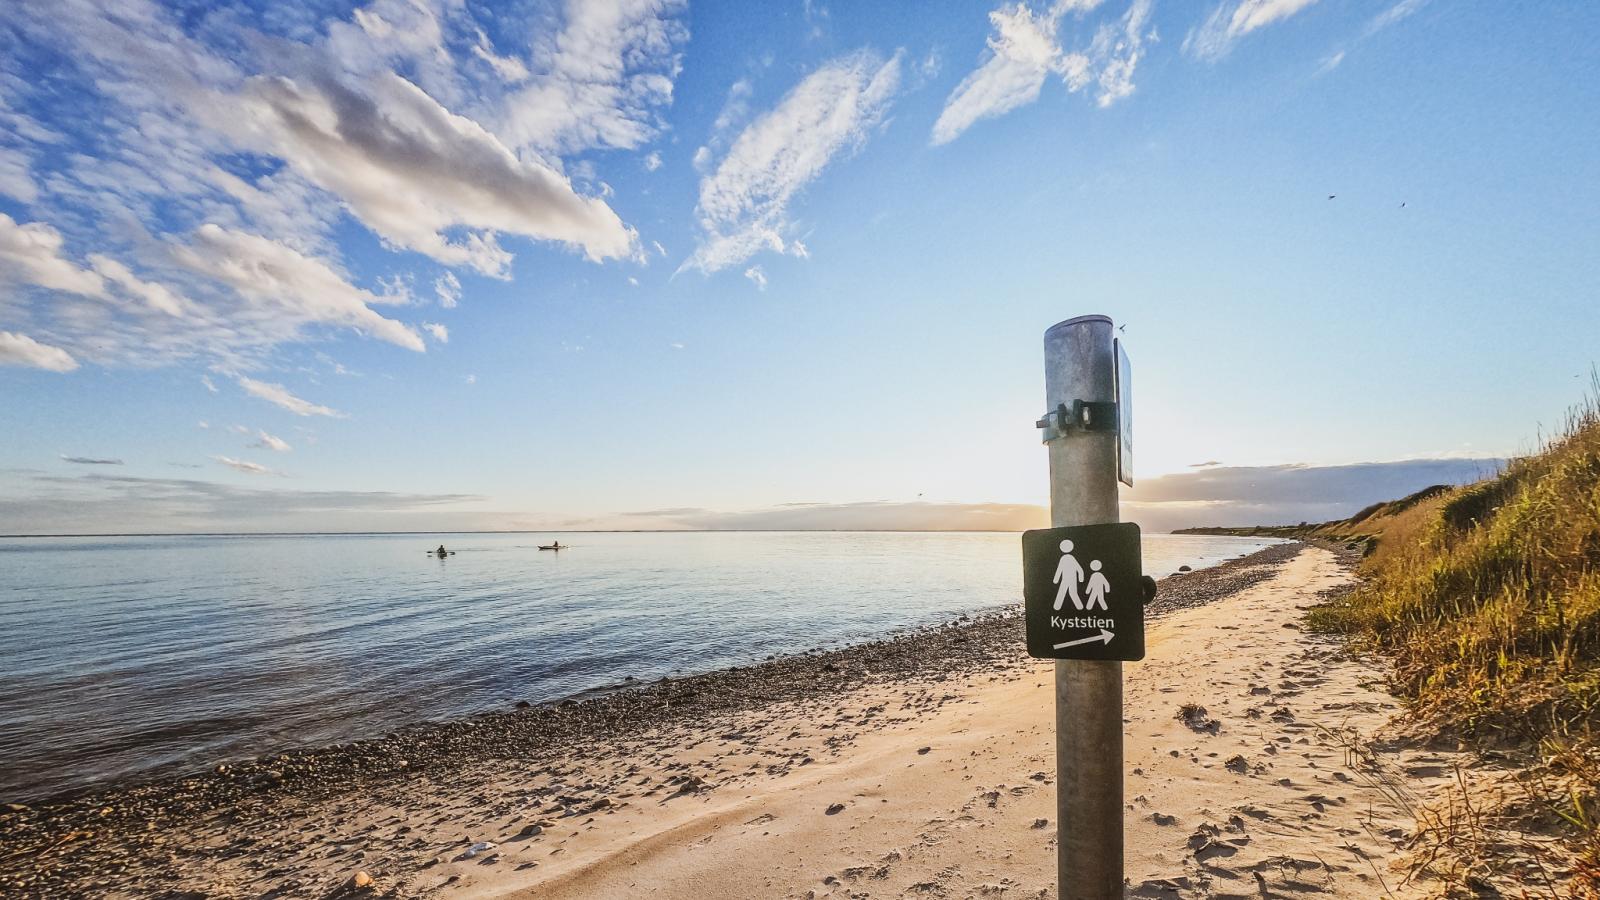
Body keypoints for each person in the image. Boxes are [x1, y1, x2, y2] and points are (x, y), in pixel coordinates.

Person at [1053, 539, 1085, 611]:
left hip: (1070, 579)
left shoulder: (1067, 558)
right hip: (1068, 579)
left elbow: (1059, 570)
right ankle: (1057, 606)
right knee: (1064, 592)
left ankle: (1079, 607)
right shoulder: (1067, 558)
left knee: (1070, 592)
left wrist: (1056, 579)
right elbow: (1060, 569)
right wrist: (1080, 578)